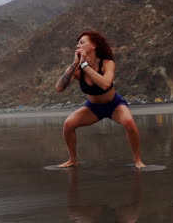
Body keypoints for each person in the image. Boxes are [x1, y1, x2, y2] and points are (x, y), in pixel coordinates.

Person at [55, 31, 146, 169]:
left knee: (129, 123)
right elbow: (59, 88)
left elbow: (105, 84)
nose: (77, 46)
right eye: (77, 43)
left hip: (114, 104)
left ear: (93, 46)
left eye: (82, 42)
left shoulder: (107, 63)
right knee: (68, 124)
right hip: (93, 108)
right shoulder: (76, 68)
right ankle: (72, 160)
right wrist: (75, 64)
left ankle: (138, 160)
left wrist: (85, 65)